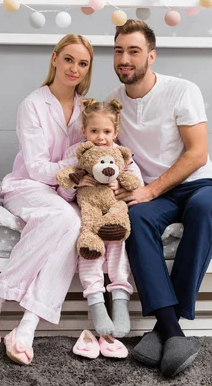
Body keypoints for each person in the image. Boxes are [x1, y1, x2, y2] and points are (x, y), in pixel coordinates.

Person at [107, 20, 212, 377]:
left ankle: (165, 327)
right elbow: (110, 151)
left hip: (200, 184)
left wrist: (151, 189)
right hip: (154, 191)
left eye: (133, 51)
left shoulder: (182, 90)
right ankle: (173, 331)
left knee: (204, 210)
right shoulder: (114, 101)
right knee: (137, 218)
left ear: (151, 55)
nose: (125, 58)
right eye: (119, 51)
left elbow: (196, 153)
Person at [0, 34, 94, 366]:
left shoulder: (88, 108)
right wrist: (76, 166)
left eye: (82, 63)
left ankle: (27, 325)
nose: (74, 68)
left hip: (65, 192)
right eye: (68, 59)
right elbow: (39, 167)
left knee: (74, 224)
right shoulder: (32, 104)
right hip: (28, 185)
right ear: (55, 58)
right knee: (64, 219)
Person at [57, 98, 144, 359]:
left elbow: (136, 182)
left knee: (119, 243)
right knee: (88, 247)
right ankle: (96, 301)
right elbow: (62, 189)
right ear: (84, 131)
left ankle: (119, 300)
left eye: (106, 132)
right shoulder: (76, 153)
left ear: (115, 132)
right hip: (89, 215)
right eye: (94, 131)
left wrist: (122, 187)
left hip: (113, 214)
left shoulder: (121, 154)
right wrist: (77, 183)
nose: (100, 138)